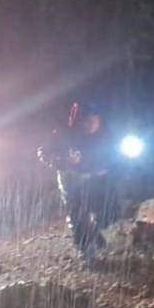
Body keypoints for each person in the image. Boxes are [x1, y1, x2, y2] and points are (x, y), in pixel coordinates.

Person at [38, 100, 119, 263]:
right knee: (78, 214)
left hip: (98, 179)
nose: (90, 123)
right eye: (85, 120)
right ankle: (86, 250)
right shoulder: (63, 134)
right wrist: (63, 161)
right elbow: (44, 153)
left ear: (99, 119)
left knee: (109, 213)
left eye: (93, 119)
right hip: (72, 180)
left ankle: (95, 232)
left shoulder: (107, 134)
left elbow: (117, 155)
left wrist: (111, 166)